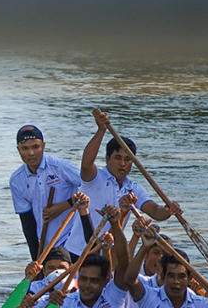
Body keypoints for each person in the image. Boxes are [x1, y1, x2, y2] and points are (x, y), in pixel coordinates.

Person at [70, 109, 181, 255]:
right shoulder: (95, 178)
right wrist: (101, 131)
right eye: (118, 158)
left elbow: (155, 212)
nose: (122, 164)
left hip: (107, 255)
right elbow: (86, 165)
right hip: (77, 251)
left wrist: (168, 210)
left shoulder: (133, 189)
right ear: (107, 159)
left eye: (127, 159)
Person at [10, 124, 87, 260]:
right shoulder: (16, 180)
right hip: (49, 244)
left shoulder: (60, 167)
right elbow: (27, 223)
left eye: (35, 147)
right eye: (25, 148)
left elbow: (90, 186)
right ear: (18, 150)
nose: (31, 153)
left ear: (43, 146)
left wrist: (64, 205)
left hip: (75, 240)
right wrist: (36, 260)